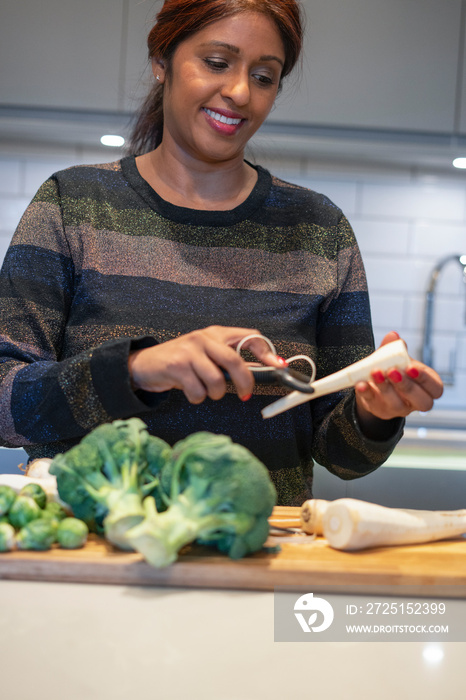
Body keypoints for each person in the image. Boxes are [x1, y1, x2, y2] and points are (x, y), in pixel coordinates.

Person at [0, 0, 443, 505]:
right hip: (99, 558)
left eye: (263, 76)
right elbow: (3, 401)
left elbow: (345, 455)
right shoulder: (72, 204)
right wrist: (136, 368)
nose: (239, 93)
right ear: (161, 60)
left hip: (258, 557)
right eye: (216, 63)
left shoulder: (320, 231)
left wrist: (376, 412)